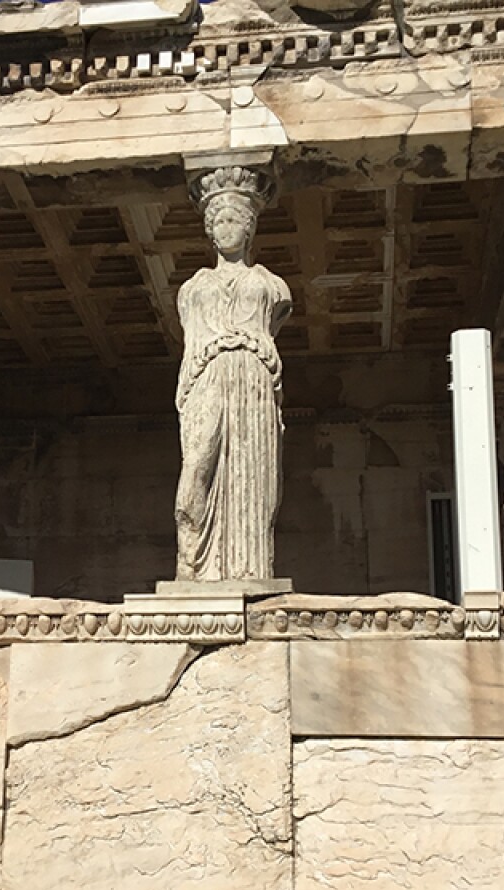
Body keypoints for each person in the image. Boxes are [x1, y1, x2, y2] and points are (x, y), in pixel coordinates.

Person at [174, 166, 292, 582]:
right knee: (196, 470)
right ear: (209, 230)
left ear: (249, 227)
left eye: (234, 220)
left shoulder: (272, 285)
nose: (226, 228)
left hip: (253, 380)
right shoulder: (193, 288)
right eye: (219, 221)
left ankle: (249, 568)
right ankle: (192, 564)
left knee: (254, 480)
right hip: (208, 377)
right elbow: (191, 344)